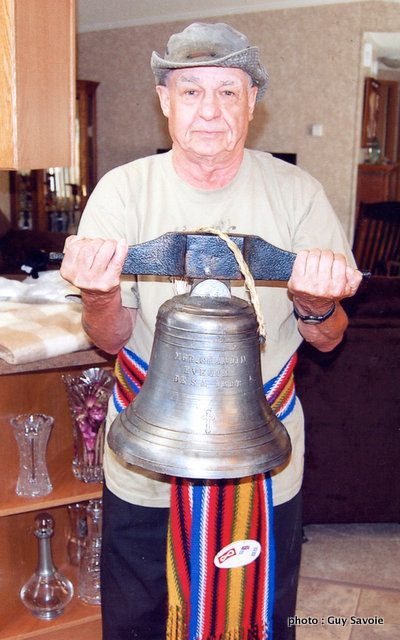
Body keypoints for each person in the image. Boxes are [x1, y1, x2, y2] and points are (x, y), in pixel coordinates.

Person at [60, 22, 362, 640]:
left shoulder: (299, 195)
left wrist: (311, 302)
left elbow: (329, 338)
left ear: (253, 102)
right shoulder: (122, 193)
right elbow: (109, 338)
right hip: (148, 462)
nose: (209, 110)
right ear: (164, 100)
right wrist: (99, 291)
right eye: (191, 90)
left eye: (229, 91)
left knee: (260, 617)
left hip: (264, 456)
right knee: (138, 617)